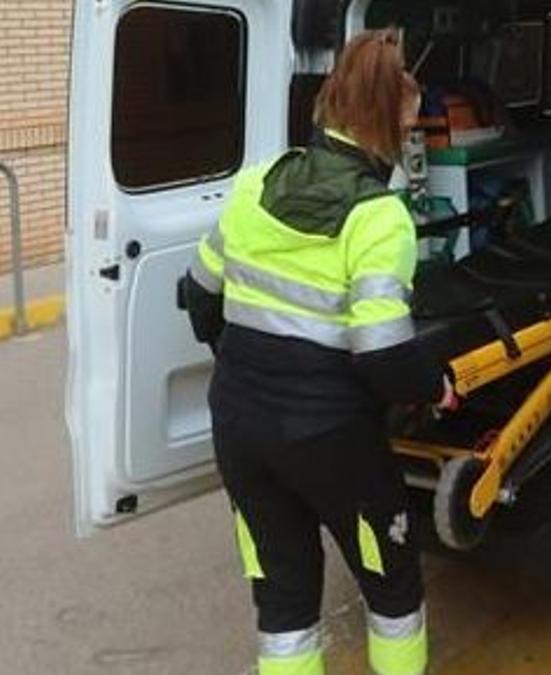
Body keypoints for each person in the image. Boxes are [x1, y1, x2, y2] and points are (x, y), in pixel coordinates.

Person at [182, 29, 454, 675]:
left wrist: (252, 366)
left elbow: (198, 295)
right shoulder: (379, 217)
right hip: (330, 436)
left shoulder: (255, 183)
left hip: (240, 423)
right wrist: (435, 386)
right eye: (408, 124)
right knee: (391, 587)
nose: (410, 136)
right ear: (384, 121)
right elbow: (383, 355)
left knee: (283, 596)